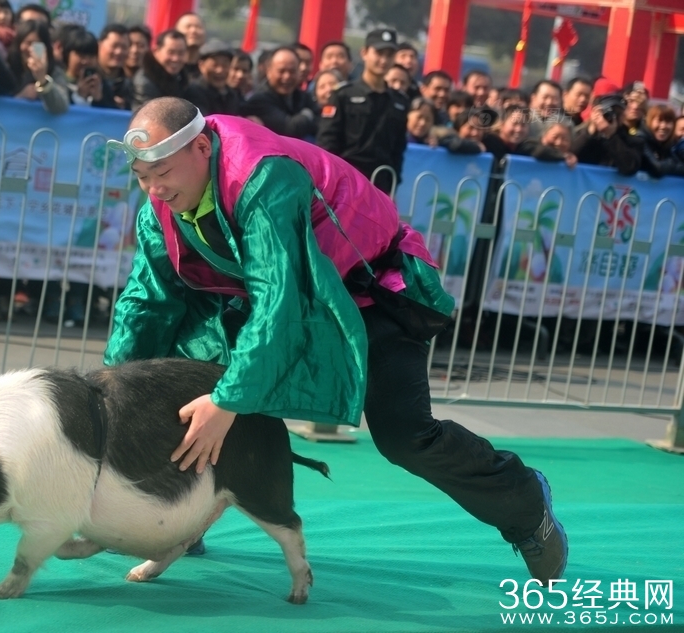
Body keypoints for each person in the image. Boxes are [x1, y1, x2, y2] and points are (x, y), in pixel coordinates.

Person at [103, 96, 569, 584]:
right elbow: (147, 301)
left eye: (163, 172)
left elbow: (280, 300)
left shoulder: (262, 175)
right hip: (277, 300)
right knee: (172, 379)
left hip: (369, 294)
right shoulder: (159, 206)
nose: (154, 189)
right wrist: (112, 390)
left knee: (405, 437)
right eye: (142, 176)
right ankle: (182, 516)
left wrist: (227, 400)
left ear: (202, 147)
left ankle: (527, 508)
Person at [317, 28, 408, 195]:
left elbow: (398, 150)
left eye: (389, 55)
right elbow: (328, 142)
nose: (383, 60)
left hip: (381, 185)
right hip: (346, 183)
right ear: (364, 53)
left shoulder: (399, 101)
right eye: (379, 53)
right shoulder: (343, 95)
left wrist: (392, 187)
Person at [241, 46, 318, 140]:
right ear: (269, 71)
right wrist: (307, 114)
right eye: (281, 71)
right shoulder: (259, 100)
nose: (287, 76)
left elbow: (320, 122)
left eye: (292, 71)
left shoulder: (303, 96)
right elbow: (290, 129)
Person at [571, 93, 643, 176]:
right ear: (595, 112)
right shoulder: (579, 133)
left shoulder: (633, 141)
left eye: (618, 113)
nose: (614, 117)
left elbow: (630, 167)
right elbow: (568, 155)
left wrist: (611, 137)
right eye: (608, 112)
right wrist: (590, 132)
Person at [7, 20, 68, 114]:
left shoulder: (55, 71)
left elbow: (61, 107)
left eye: (37, 45)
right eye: (28, 43)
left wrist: (42, 80)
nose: (31, 49)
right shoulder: (7, 66)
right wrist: (20, 97)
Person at [131, 28, 188, 112]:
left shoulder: (182, 79)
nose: (175, 58)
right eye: (171, 52)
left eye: (181, 53)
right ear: (156, 51)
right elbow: (149, 114)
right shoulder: (145, 82)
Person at [57, 27, 115, 108]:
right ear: (67, 55)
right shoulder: (57, 82)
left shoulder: (102, 86)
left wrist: (99, 99)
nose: (86, 61)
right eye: (81, 55)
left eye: (91, 56)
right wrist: (80, 97)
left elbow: (111, 113)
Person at [183, 39, 239, 116]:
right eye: (214, 65)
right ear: (201, 66)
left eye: (225, 65)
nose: (220, 70)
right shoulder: (194, 92)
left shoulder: (232, 94)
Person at [641, 104, 684, 178]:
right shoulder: (641, 140)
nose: (663, 126)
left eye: (668, 121)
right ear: (650, 121)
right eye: (659, 120)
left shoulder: (667, 145)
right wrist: (671, 163)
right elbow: (657, 167)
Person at [98, 23, 132, 109]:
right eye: (114, 46)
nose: (119, 52)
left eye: (124, 47)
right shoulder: (88, 78)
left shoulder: (131, 86)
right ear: (100, 45)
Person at [174, 11, 205, 82]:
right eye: (188, 27)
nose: (193, 31)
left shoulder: (209, 71)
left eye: (198, 27)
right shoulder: (169, 68)